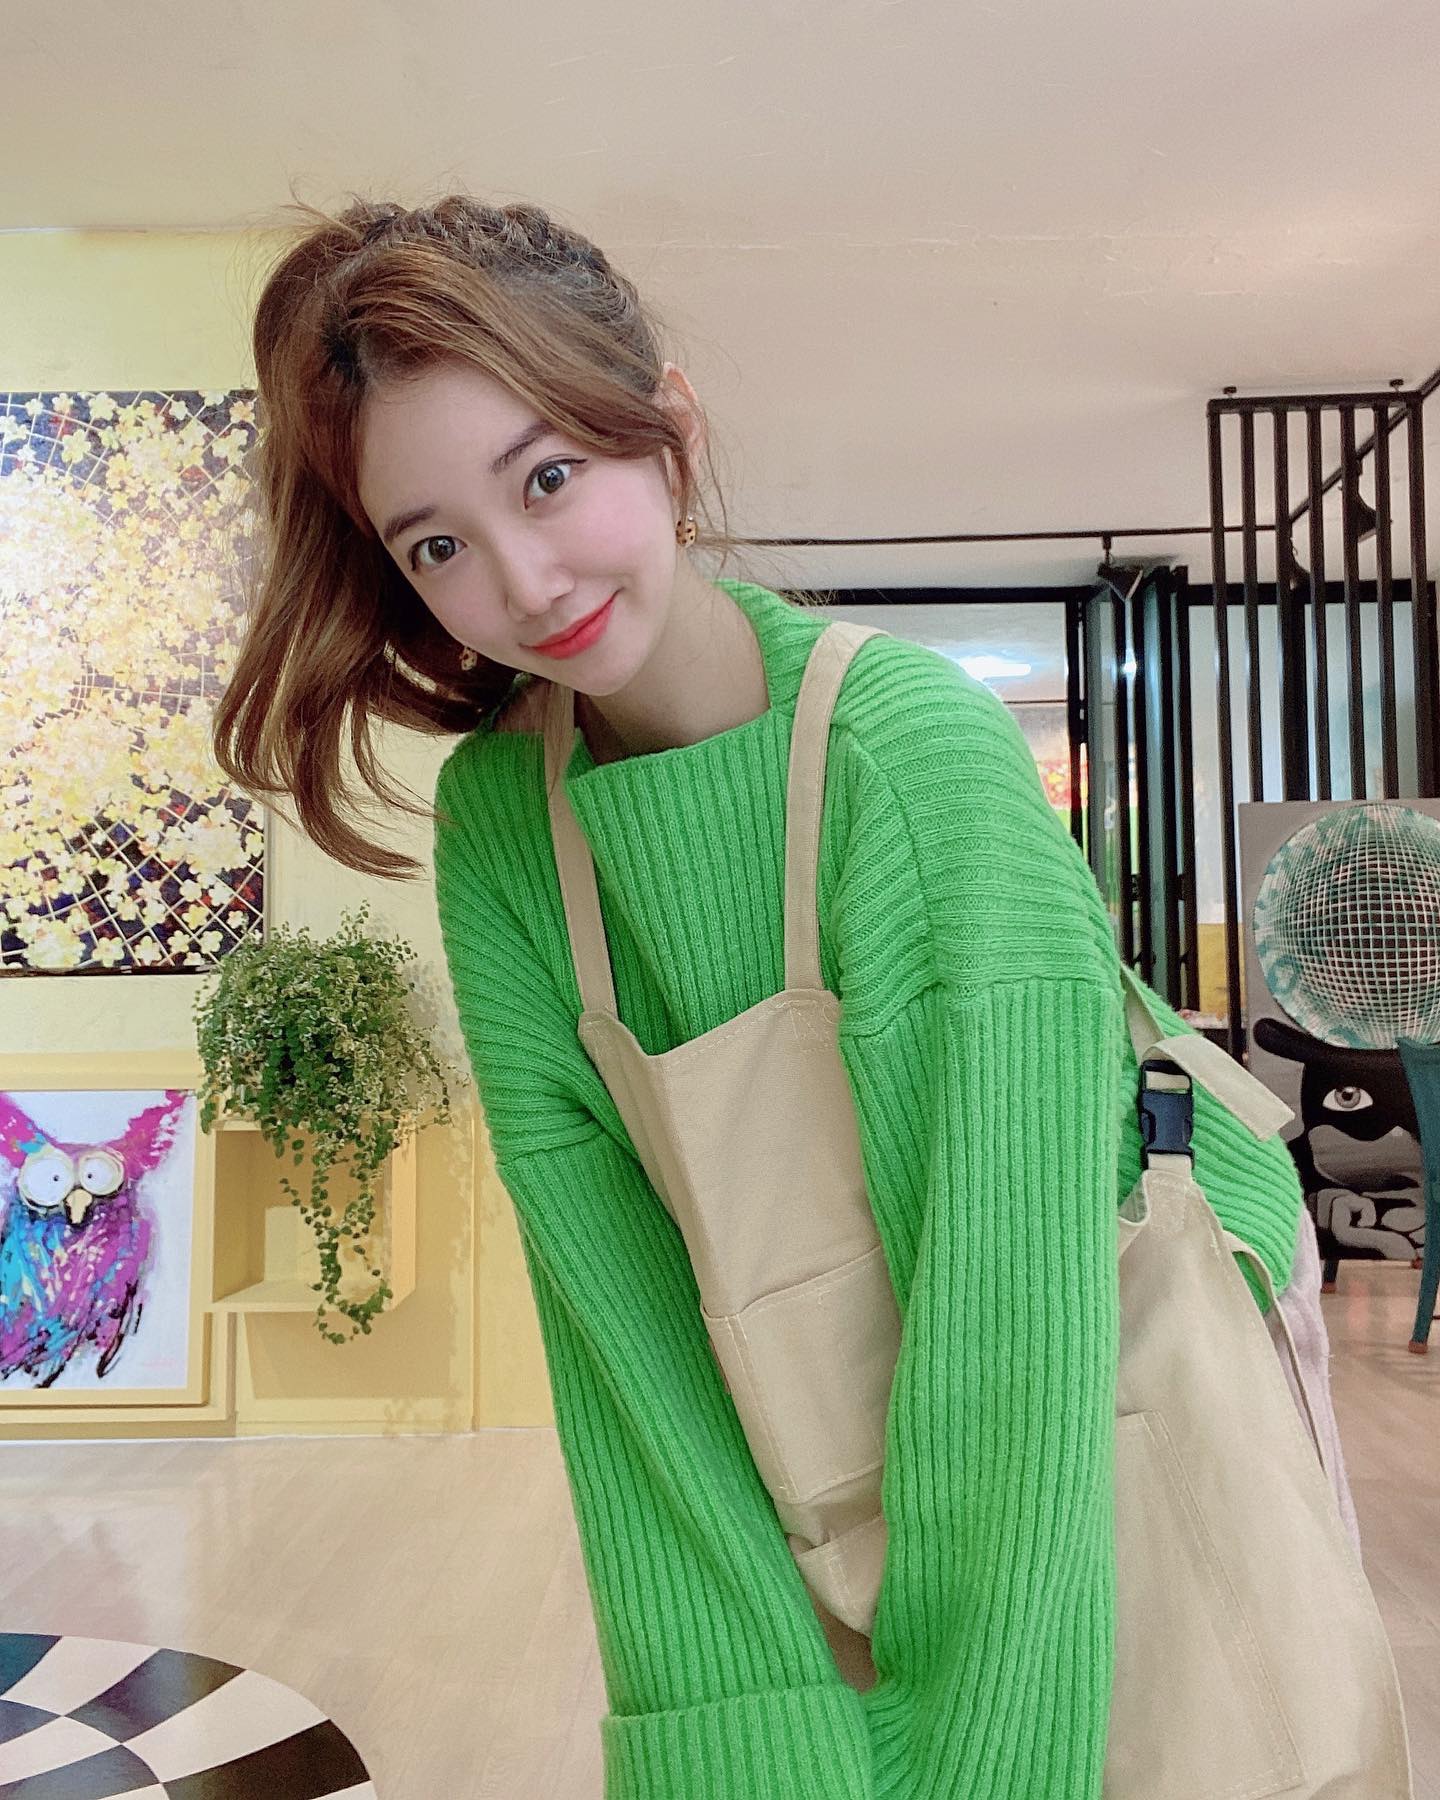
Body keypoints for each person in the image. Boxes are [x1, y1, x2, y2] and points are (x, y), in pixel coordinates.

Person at [213, 193, 1324, 1799]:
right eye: (436, 543)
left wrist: (964, 1774)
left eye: (547, 477)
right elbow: (627, 1350)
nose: (524, 578)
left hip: (1123, 1346)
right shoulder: (504, 831)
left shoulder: (913, 755)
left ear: (666, 428)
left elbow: (1009, 1330)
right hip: (852, 1390)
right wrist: (734, 1755)